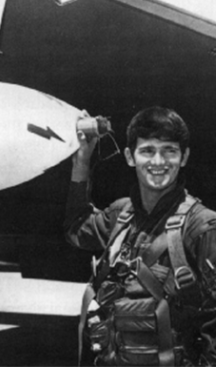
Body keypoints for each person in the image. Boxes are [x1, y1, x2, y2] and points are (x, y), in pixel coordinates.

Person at [65, 106, 216, 367]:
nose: (158, 162)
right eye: (147, 151)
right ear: (129, 156)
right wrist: (81, 161)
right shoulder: (119, 215)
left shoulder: (201, 226)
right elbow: (76, 230)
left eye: (170, 150)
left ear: (184, 157)